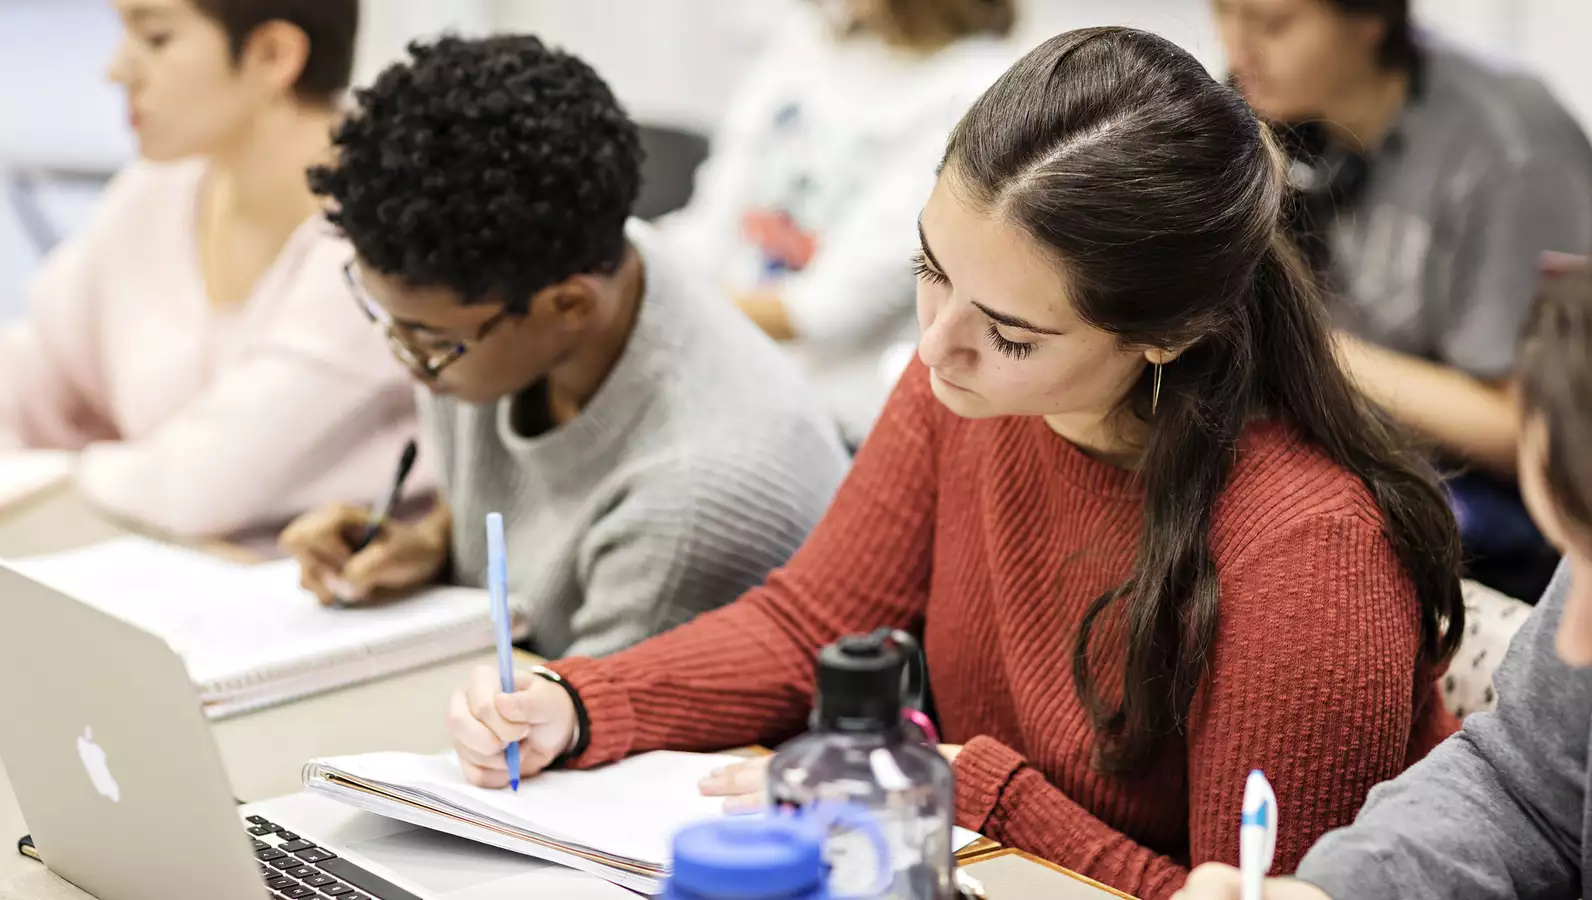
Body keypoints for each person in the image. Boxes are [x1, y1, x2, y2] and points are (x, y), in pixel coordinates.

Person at [442, 27, 1468, 899]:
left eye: (1013, 333)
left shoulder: (1311, 554)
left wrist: (964, 786)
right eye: (928, 272)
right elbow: (814, 622)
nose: (935, 349)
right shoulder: (967, 387)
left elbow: (1243, 893)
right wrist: (580, 705)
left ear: (1169, 332)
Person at [278, 35, 847, 658]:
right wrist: (432, 544)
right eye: (384, 318)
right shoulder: (538, 274)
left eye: (430, 343)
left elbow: (585, 727)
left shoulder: (698, 498)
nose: (407, 361)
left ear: (569, 306)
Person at [1175, 255, 1592, 900]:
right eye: (1577, 561)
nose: (1573, 646)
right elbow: (1526, 793)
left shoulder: (1316, 551)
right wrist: (1331, 892)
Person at [1213, 0, 1592, 598]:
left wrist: (1306, 346)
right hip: (1357, 452)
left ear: (1371, 19)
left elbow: (1527, 429)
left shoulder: (1516, 156)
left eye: (1273, 23)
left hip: (1498, 537)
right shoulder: (1273, 104)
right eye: (1221, 12)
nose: (1237, 50)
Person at [0, 0, 422, 539]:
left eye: (154, 38)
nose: (116, 70)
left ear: (273, 55)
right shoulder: (158, 191)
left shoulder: (380, 242)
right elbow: (27, 376)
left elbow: (193, 490)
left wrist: (46, 476)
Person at [659, 0, 1018, 446]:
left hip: (829, 420)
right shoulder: (803, 42)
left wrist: (657, 295)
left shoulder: (977, 88)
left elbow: (826, 312)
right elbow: (706, 228)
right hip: (717, 365)